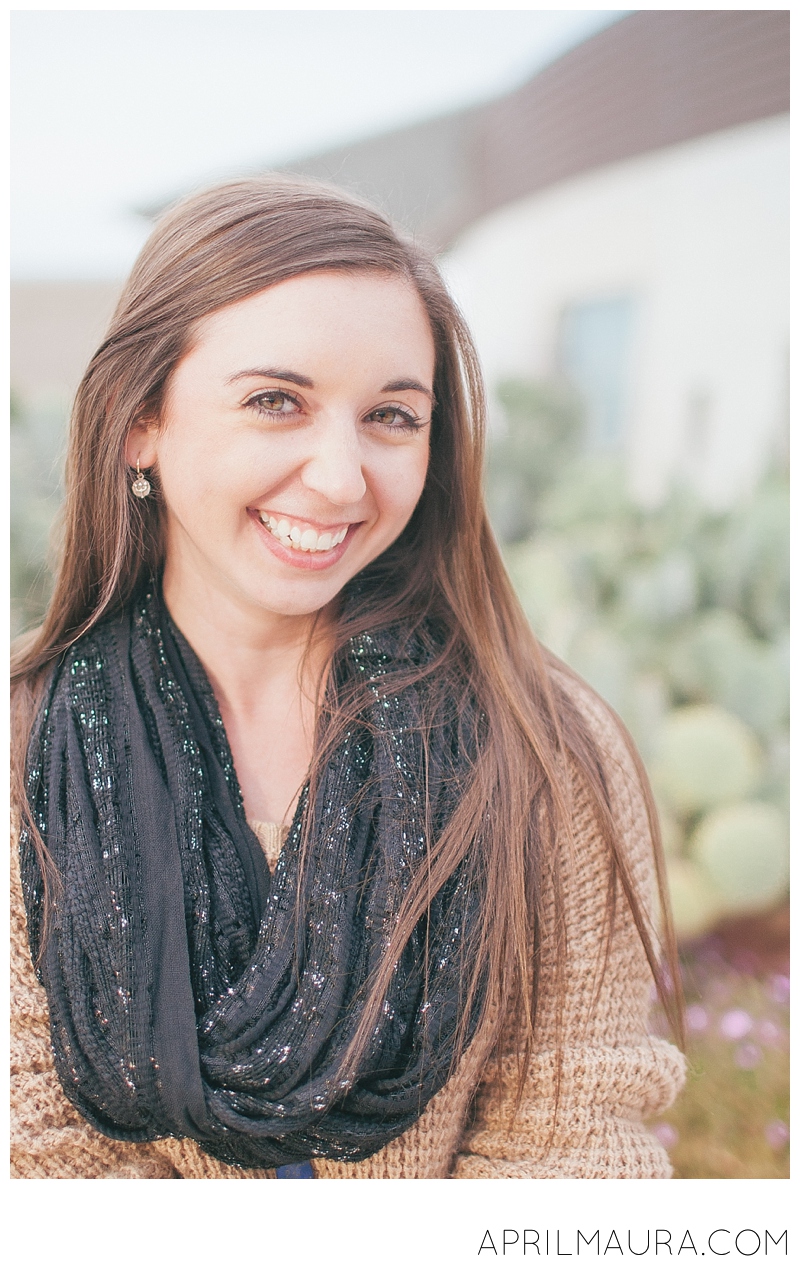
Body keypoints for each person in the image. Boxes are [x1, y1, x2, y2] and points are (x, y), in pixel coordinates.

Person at [10, 177, 685, 1179]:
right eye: (275, 402)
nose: (339, 477)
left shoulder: (540, 745)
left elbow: (573, 1135)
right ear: (138, 418)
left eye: (390, 417)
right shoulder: (28, 754)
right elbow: (39, 1152)